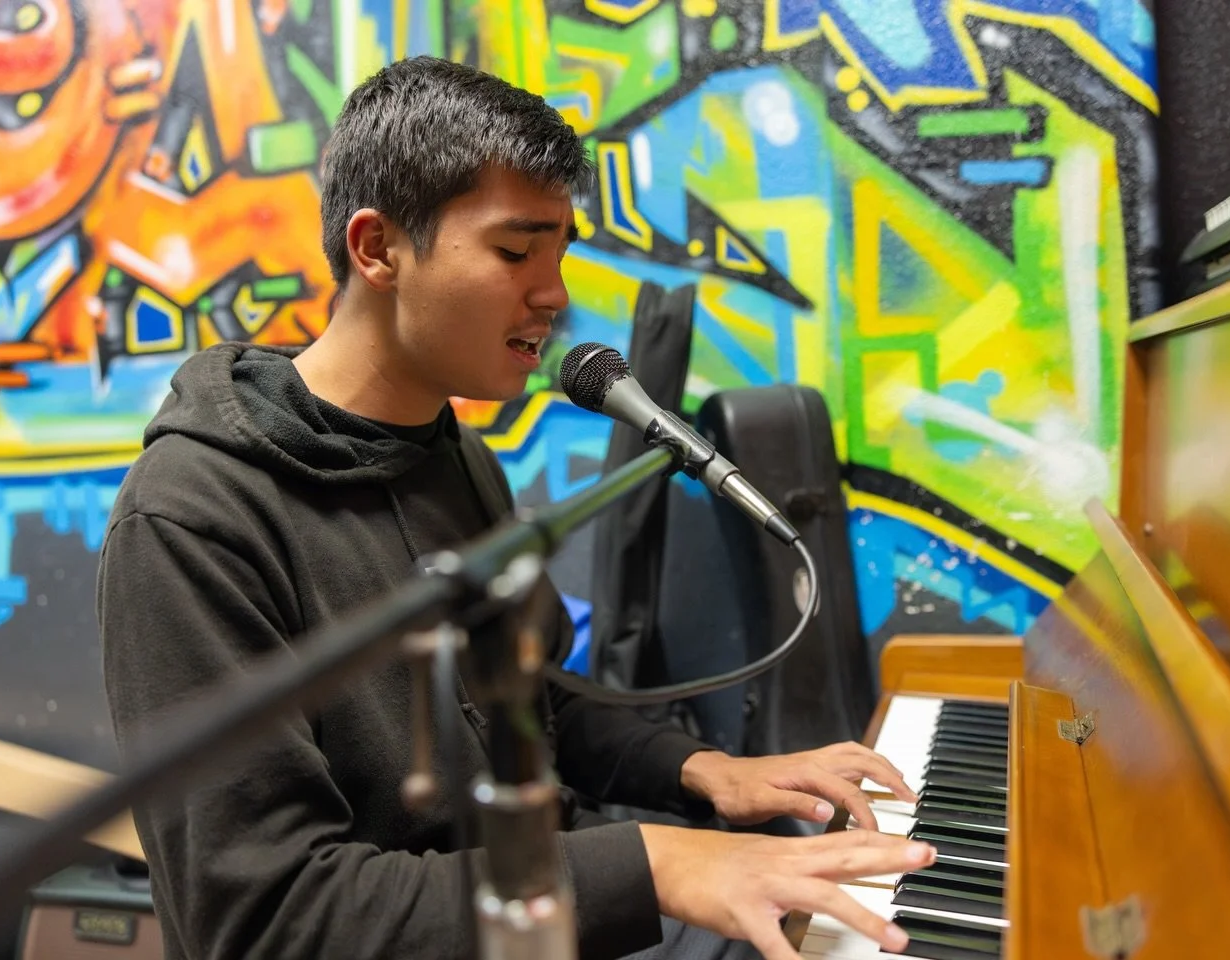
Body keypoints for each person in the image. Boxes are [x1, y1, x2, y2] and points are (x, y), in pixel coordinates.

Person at [97, 56, 932, 960]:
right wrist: (654, 864)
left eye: (560, 253)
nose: (554, 295)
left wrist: (703, 773)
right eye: (513, 251)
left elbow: (528, 704)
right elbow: (268, 920)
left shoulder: (459, 459)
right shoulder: (191, 522)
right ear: (377, 249)